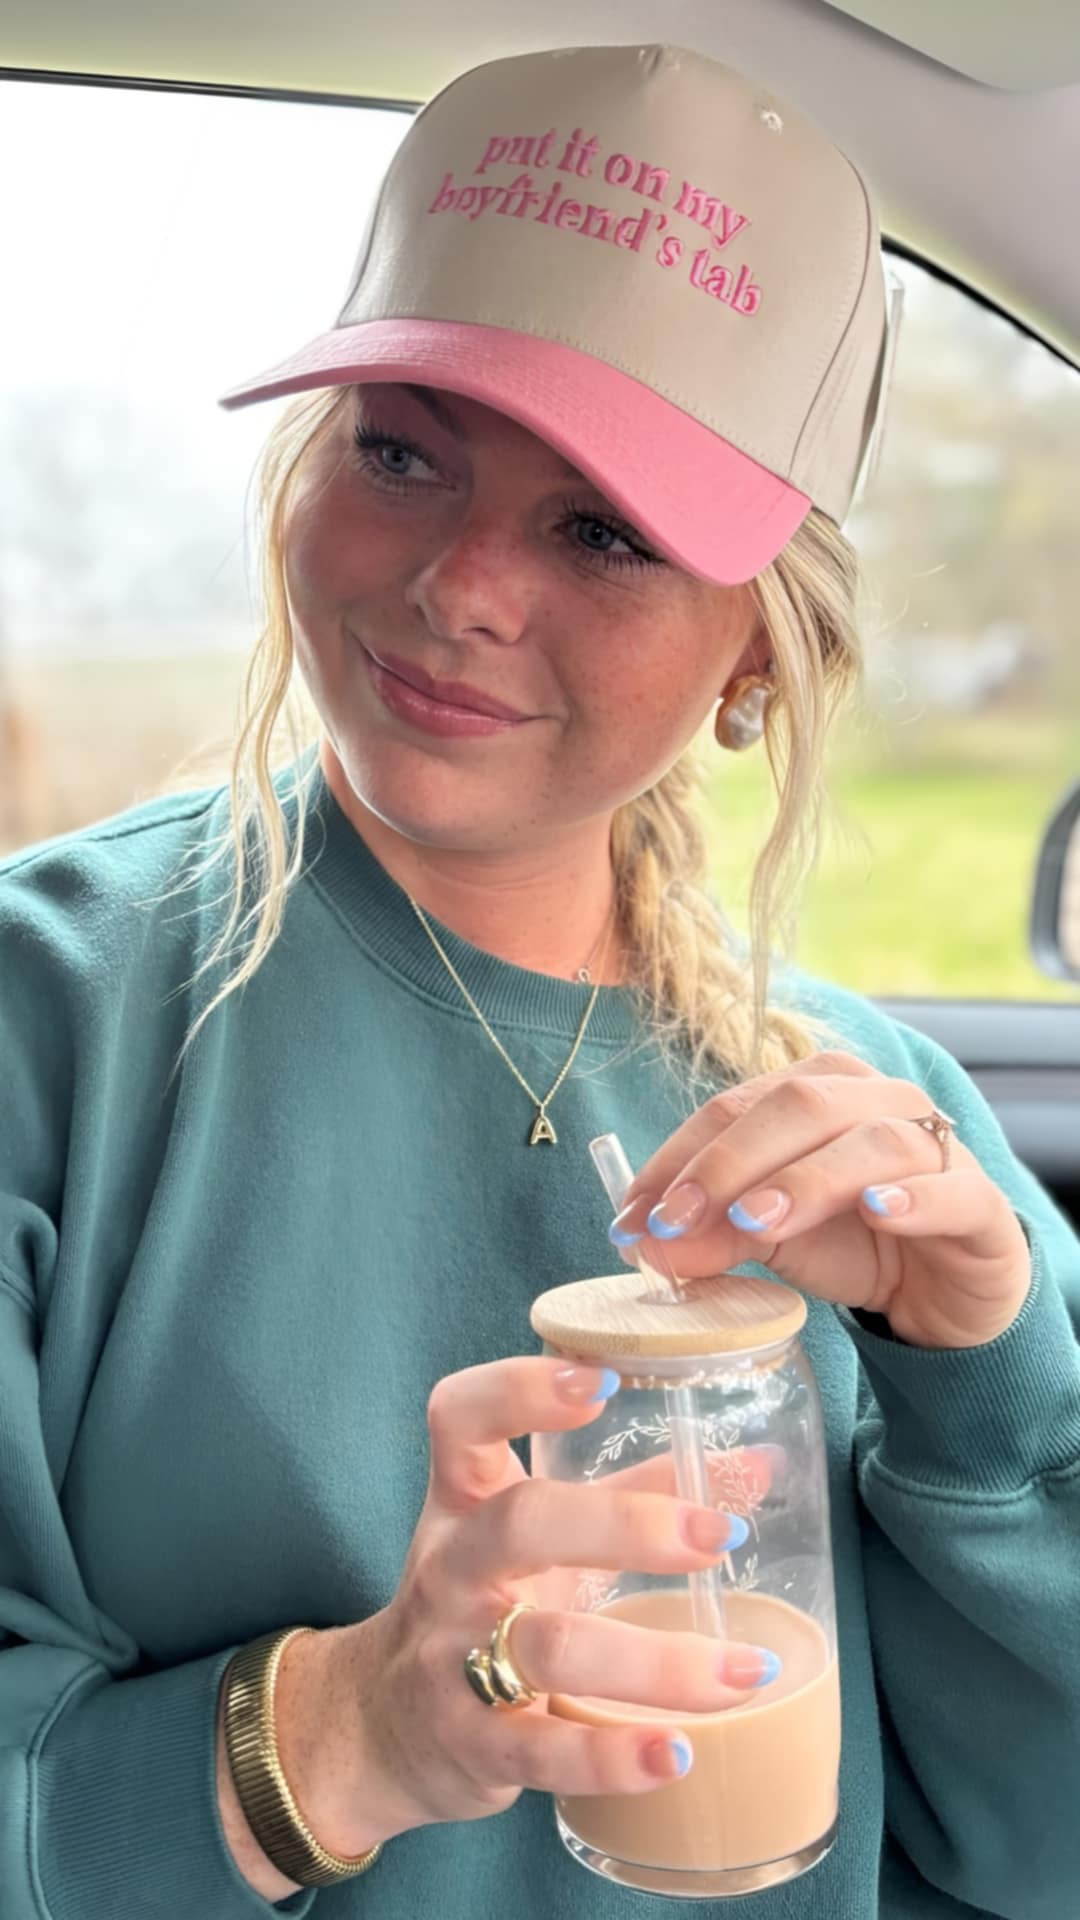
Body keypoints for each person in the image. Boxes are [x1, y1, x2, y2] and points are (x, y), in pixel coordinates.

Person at [1, 38, 1077, 1920]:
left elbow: (1037, 1846)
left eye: (602, 531)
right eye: (402, 450)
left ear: (761, 652)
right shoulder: (47, 1024)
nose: (463, 588)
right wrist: (340, 1733)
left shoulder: (883, 1144)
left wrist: (983, 1399)